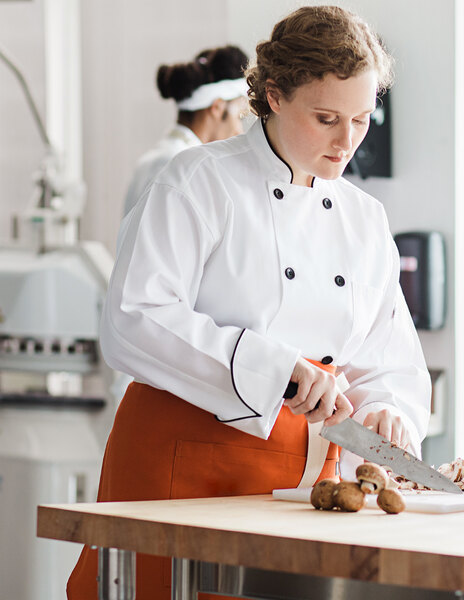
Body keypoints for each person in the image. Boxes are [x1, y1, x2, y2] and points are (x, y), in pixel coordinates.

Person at [67, 6, 431, 600]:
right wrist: (272, 367)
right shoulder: (196, 182)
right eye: (327, 118)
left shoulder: (366, 219)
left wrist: (391, 411)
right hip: (182, 467)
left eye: (363, 119)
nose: (347, 141)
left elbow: (389, 358)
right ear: (273, 94)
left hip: (307, 482)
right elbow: (133, 318)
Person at [122, 44, 249, 216]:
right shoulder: (183, 165)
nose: (239, 131)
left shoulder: (157, 159)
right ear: (217, 108)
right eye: (239, 117)